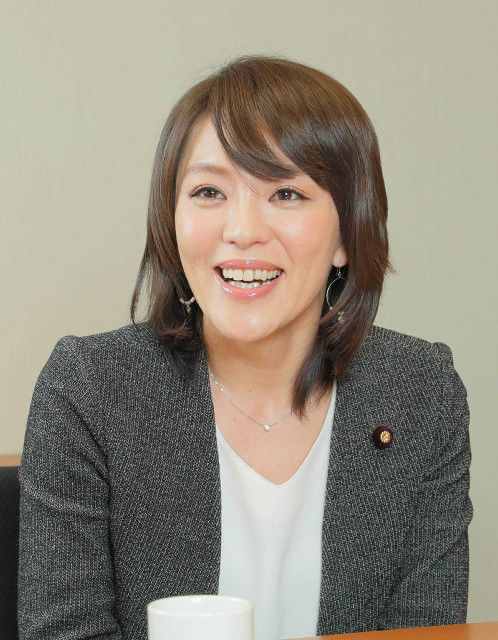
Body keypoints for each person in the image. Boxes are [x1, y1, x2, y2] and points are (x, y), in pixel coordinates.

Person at [17, 54, 473, 640]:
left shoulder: (421, 393)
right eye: (209, 191)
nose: (242, 231)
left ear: (347, 235)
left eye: (286, 193)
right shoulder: (89, 390)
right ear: (172, 219)